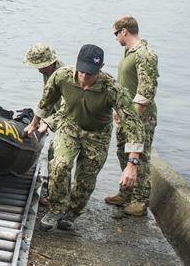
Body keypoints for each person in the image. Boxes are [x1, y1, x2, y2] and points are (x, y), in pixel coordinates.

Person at [24, 44, 145, 232]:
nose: (84, 78)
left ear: (100, 67)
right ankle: (56, 208)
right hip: (69, 126)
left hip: (97, 134)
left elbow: (133, 124)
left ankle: (72, 213)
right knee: (60, 164)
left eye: (89, 74)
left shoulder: (112, 88)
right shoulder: (62, 76)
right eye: (81, 72)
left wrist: (132, 163)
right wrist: (34, 122)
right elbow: (46, 100)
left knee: (85, 179)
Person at [105, 16, 159, 216]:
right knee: (122, 151)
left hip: (141, 116)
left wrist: (132, 117)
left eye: (115, 34)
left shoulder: (145, 54)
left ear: (124, 31)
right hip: (126, 114)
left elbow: (146, 91)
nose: (115, 38)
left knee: (139, 157)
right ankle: (126, 193)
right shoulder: (128, 51)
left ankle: (139, 201)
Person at [23, 43, 65, 205]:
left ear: (47, 63)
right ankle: (55, 188)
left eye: (39, 66)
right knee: (53, 155)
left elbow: (67, 107)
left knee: (58, 155)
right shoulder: (48, 73)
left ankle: (57, 198)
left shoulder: (64, 76)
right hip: (57, 115)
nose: (37, 69)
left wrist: (47, 123)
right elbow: (47, 99)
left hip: (70, 118)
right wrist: (36, 121)